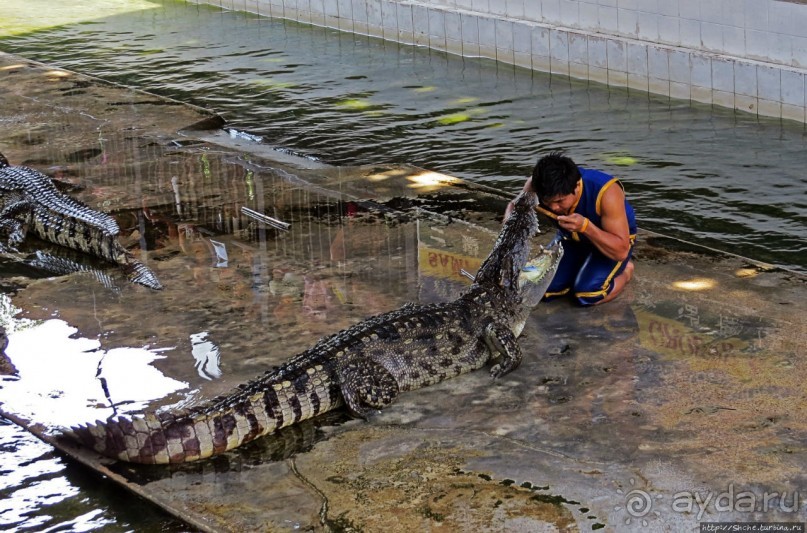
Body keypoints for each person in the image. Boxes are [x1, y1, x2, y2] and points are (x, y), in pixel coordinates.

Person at [505, 152, 637, 306]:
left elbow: (621, 251)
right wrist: (510, 220)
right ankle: (577, 268)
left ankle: (626, 272)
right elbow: (514, 206)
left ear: (576, 186)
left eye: (560, 201)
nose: (554, 207)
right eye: (548, 202)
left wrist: (586, 227)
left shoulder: (607, 192)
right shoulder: (537, 185)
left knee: (586, 294)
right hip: (570, 238)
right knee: (537, 288)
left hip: (609, 242)